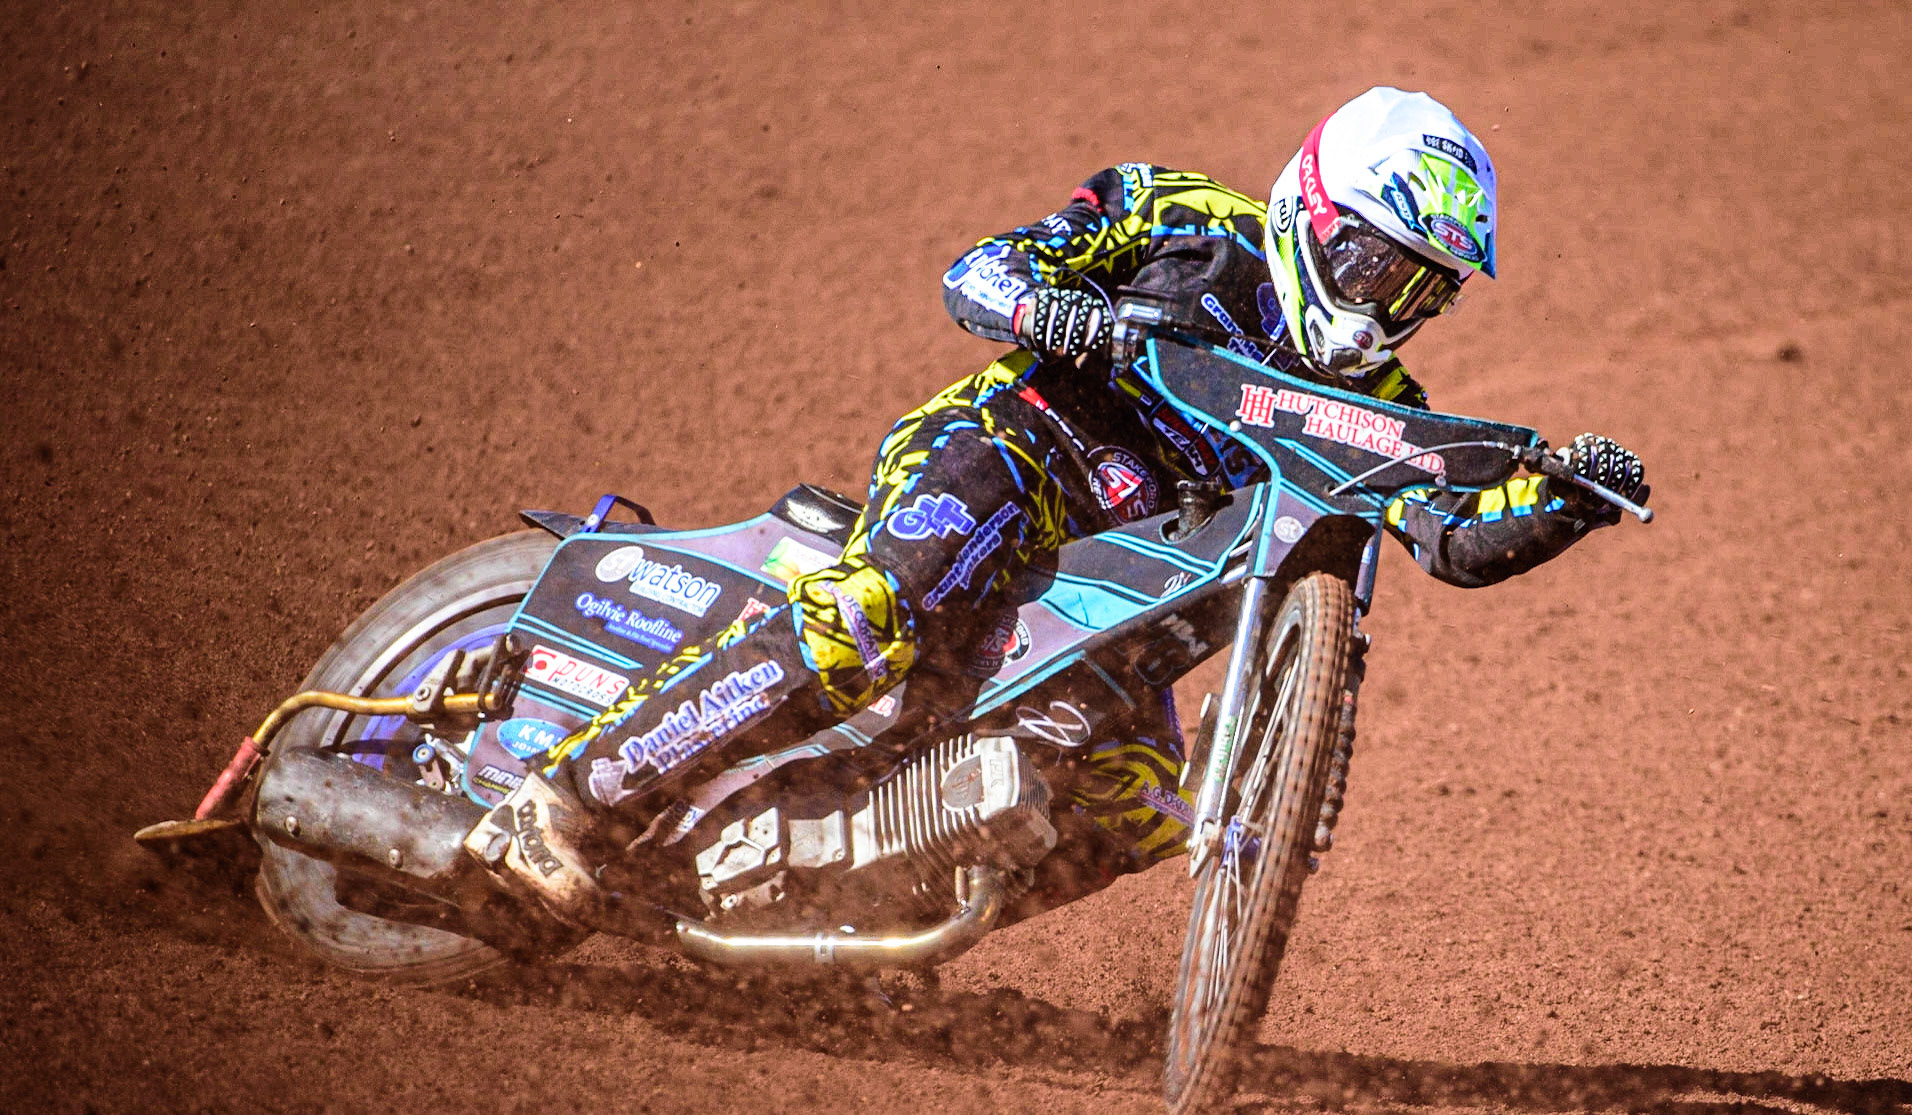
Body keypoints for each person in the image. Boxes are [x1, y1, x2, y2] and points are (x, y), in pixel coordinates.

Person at [463, 86, 1647, 926]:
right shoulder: (1183, 217)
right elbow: (981, 269)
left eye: (1422, 290)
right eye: (1379, 265)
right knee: (870, 615)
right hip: (1017, 452)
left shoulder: (1384, 401)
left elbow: (1448, 533)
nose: (1391, 305)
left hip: (1120, 590)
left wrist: (1569, 501)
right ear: (1316, 212)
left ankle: (843, 918)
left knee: (1135, 818)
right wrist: (1053, 310)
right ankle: (562, 802)